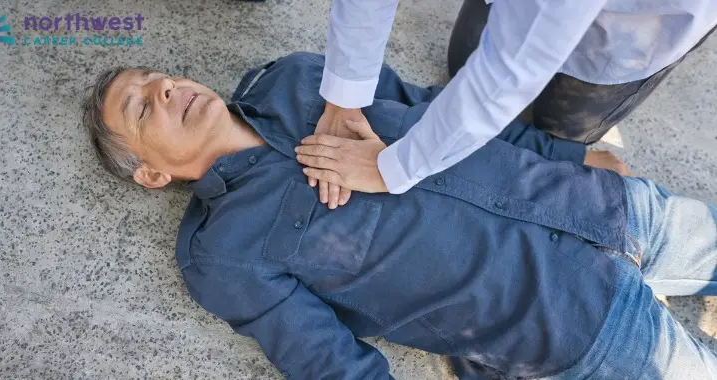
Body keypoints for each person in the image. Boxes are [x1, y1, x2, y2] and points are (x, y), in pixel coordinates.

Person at [81, 52, 717, 379]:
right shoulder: (224, 255)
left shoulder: (299, 79)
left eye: (158, 77)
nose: (166, 89)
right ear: (152, 173)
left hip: (603, 208)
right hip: (574, 321)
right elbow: (327, 361)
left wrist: (568, 154)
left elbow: (443, 110)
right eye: (142, 108)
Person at [303, 0, 717, 209]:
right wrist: (345, 96)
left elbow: (513, 69)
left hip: (636, 26)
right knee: (463, 62)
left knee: (563, 122)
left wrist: (392, 169)